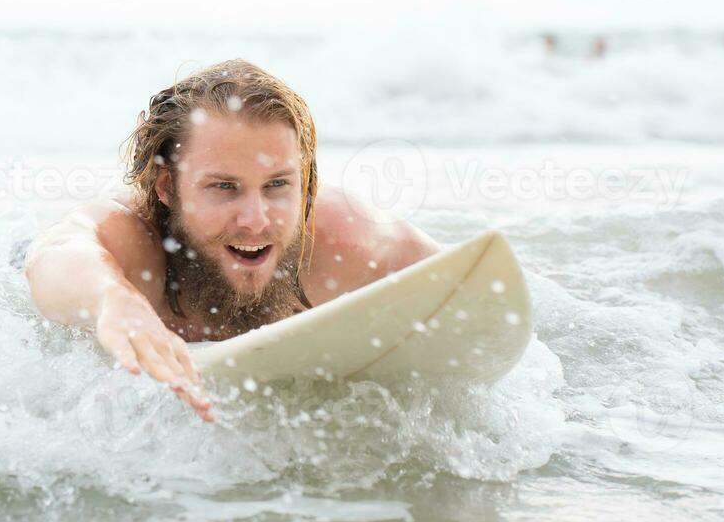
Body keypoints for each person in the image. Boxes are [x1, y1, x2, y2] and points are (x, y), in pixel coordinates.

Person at [23, 59, 440, 423]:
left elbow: (464, 280)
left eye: (277, 184)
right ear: (168, 187)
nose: (256, 221)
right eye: (225, 187)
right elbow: (54, 254)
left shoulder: (342, 240)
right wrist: (112, 298)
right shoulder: (134, 242)